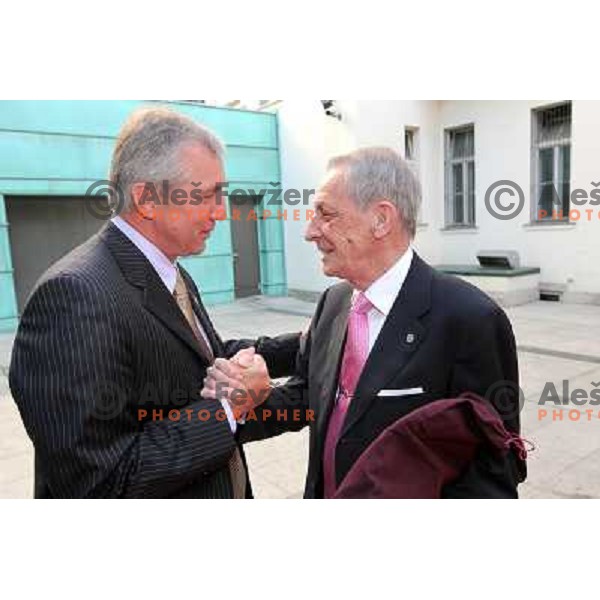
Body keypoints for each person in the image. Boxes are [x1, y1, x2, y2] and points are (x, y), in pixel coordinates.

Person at [9, 107, 300, 498]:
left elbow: (207, 361)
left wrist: (313, 343)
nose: (220, 212)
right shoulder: (74, 296)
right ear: (147, 199)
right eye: (208, 195)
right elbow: (100, 483)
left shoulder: (171, 270)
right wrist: (228, 407)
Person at [203, 147, 525, 498]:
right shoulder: (333, 302)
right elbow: (308, 395)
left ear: (381, 219)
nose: (310, 232)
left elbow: (495, 466)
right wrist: (240, 407)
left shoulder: (471, 319)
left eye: (326, 214)